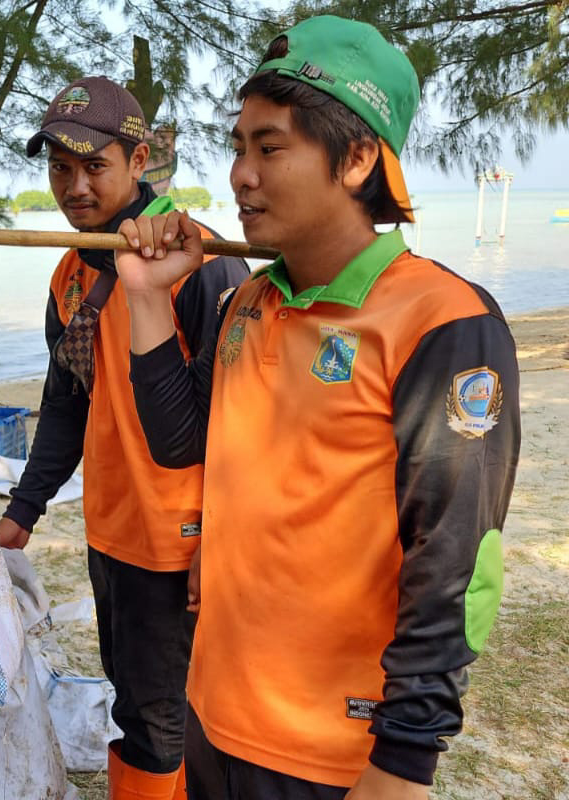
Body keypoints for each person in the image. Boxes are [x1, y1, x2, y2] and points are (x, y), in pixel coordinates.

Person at [115, 16, 521, 799]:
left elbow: (457, 560)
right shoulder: (250, 301)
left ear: (358, 158)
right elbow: (180, 444)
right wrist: (147, 303)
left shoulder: (442, 322)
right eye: (238, 147)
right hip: (216, 713)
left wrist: (404, 760)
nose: (240, 174)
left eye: (270, 148)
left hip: (332, 753)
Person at [0, 76, 248, 798]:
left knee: (165, 715)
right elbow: (67, 401)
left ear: (140, 162)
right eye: (59, 168)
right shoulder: (71, 273)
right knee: (141, 698)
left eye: (94, 166)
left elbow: (244, 421)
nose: (74, 187)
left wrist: (222, 540)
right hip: (114, 532)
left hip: (187, 544)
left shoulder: (197, 263)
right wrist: (23, 511)